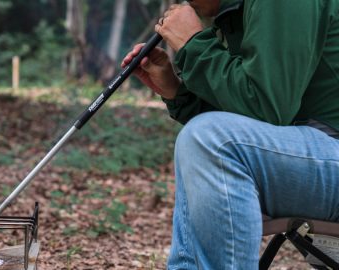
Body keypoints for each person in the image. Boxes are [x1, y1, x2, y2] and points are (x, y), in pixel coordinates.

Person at [122, 0, 339, 268]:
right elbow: (247, 121)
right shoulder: (236, 13)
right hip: (318, 152)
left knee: (211, 141)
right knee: (206, 138)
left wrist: (194, 44)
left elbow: (266, 106)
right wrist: (177, 91)